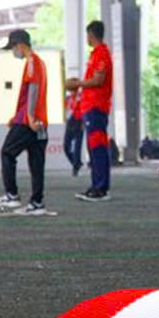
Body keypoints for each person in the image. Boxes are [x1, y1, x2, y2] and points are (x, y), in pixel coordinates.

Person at [0, 29, 50, 216]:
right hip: (39, 121)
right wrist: (18, 117)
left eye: (13, 47)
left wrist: (28, 116)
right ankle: (37, 203)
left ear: (20, 45)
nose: (13, 52)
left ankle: (12, 195)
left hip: (28, 121)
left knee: (7, 153)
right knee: (36, 163)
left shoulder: (31, 62)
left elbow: (33, 88)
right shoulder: (40, 62)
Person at [67, 21, 113, 202]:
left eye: (87, 35)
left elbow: (98, 80)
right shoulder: (96, 54)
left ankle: (100, 188)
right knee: (94, 147)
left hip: (96, 107)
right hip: (91, 107)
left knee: (97, 147)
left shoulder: (101, 53)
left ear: (91, 35)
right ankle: (96, 186)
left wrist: (77, 83)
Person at [63, 87, 84, 176]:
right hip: (70, 121)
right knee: (66, 146)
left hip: (79, 121)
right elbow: (66, 109)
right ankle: (76, 163)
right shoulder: (68, 98)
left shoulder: (81, 97)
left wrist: (83, 122)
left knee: (77, 146)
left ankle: (75, 167)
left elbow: (84, 109)